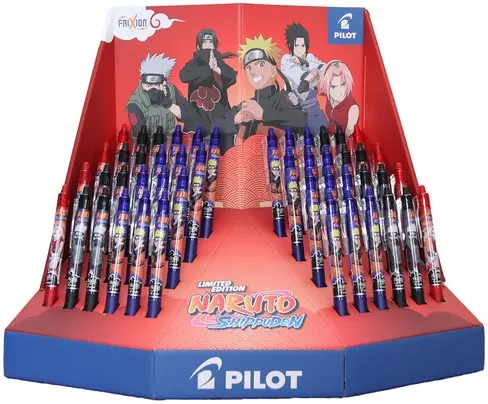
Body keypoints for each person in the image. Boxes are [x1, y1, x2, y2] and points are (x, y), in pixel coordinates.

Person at [212, 34, 308, 153]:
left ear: (273, 70)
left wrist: (264, 115)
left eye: (261, 64)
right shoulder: (245, 105)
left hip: (275, 162)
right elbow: (215, 126)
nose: (253, 72)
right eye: (249, 68)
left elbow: (302, 121)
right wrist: (235, 119)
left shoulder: (283, 99)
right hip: (245, 162)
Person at [179, 30, 237, 132]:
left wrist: (216, 69)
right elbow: (184, 76)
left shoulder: (219, 62)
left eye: (211, 42)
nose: (208, 45)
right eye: (204, 42)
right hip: (197, 114)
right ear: (198, 46)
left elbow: (232, 77)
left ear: (214, 45)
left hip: (220, 114)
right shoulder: (193, 63)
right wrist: (207, 68)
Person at [281, 23, 328, 135]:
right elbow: (298, 77)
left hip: (313, 109)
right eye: (297, 46)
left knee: (322, 133)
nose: (300, 49)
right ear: (290, 45)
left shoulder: (310, 58)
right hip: (295, 110)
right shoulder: (286, 59)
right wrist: (314, 73)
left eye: (303, 45)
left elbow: (325, 68)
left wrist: (305, 63)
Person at [319, 60, 359, 139]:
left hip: (343, 143)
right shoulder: (330, 98)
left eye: (343, 84)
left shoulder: (353, 108)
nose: (339, 91)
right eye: (333, 87)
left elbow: (348, 136)